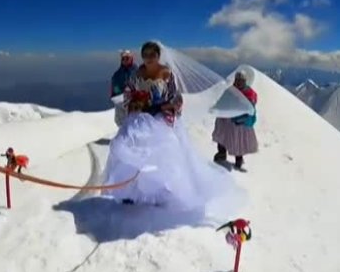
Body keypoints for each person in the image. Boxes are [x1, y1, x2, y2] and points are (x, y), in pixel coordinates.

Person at [101, 41, 240, 214]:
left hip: (160, 118)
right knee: (127, 148)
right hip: (140, 118)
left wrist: (169, 107)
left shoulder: (167, 73)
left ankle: (159, 194)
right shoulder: (137, 74)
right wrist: (134, 103)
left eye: (152, 55)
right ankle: (130, 193)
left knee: (163, 154)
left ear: (158, 56)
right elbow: (128, 93)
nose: (148, 58)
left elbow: (176, 97)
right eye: (145, 55)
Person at [212, 70, 259, 170]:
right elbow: (222, 101)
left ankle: (238, 159)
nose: (238, 82)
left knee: (237, 141)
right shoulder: (231, 90)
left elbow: (250, 108)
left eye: (241, 80)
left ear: (244, 81)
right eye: (237, 80)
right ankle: (221, 153)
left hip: (240, 121)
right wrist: (216, 107)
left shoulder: (249, 93)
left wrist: (241, 117)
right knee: (222, 135)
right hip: (227, 119)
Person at [110, 49, 138, 126]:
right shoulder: (117, 74)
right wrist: (118, 94)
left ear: (131, 58)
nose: (125, 60)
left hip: (135, 102)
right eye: (123, 58)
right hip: (121, 102)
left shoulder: (138, 71)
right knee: (121, 122)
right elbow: (114, 87)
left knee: (134, 122)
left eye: (127, 58)